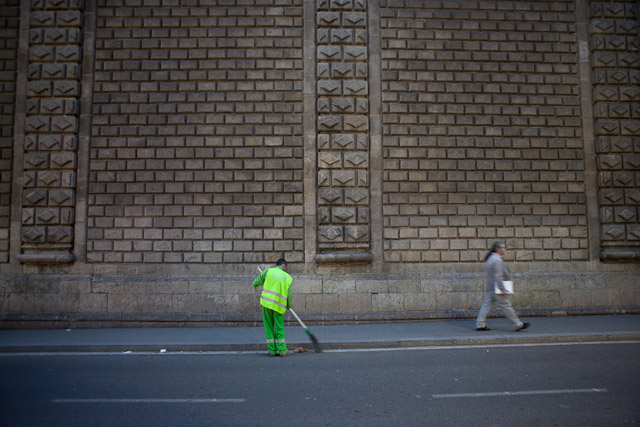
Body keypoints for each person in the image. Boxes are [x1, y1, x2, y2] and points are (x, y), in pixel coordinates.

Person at [476, 241, 530, 332]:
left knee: (486, 306)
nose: (504, 249)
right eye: (503, 248)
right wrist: (502, 289)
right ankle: (518, 324)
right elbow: (498, 276)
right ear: (498, 249)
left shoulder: (490, 259)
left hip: (491, 287)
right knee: (506, 306)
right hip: (497, 288)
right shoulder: (497, 260)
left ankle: (480, 324)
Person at [253, 258, 293, 357]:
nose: (285, 270)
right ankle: (282, 350)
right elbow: (289, 295)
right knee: (279, 328)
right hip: (279, 306)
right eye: (285, 268)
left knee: (269, 327)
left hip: (267, 304)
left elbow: (257, 282)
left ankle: (272, 351)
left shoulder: (268, 271)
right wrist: (289, 305)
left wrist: (258, 283)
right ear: (283, 266)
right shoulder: (287, 277)